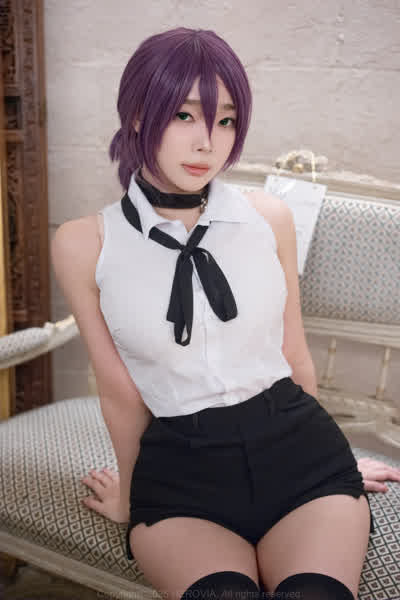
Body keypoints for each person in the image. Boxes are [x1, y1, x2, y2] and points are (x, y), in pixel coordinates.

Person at [51, 27, 399, 600]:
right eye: (184, 115)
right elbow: (119, 390)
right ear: (137, 114)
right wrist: (132, 497)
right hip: (181, 479)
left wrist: (334, 459)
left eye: (226, 121)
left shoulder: (270, 218)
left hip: (302, 460)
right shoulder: (85, 242)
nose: (206, 143)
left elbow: (293, 355)